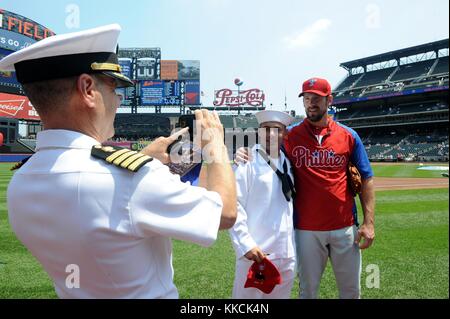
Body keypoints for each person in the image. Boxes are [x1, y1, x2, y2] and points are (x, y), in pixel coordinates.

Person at [1, 24, 237, 299]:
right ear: (88, 89)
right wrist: (217, 145)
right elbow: (225, 212)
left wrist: (137, 161)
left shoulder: (21, 181)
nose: (119, 100)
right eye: (114, 88)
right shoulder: (132, 179)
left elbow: (90, 190)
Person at [236, 78, 375, 299]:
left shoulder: (349, 136)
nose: (311, 103)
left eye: (316, 98)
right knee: (307, 291)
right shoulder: (290, 134)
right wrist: (243, 151)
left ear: (329, 100)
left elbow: (366, 178)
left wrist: (368, 222)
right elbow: (266, 143)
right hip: (306, 230)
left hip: (345, 227)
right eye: (307, 98)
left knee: (351, 291)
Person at [229, 110, 297, 299]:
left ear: (285, 134)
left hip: (286, 254)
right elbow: (235, 205)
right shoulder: (247, 161)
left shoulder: (287, 163)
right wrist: (246, 245)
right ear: (259, 132)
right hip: (256, 253)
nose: (271, 134)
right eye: (266, 129)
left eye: (277, 130)